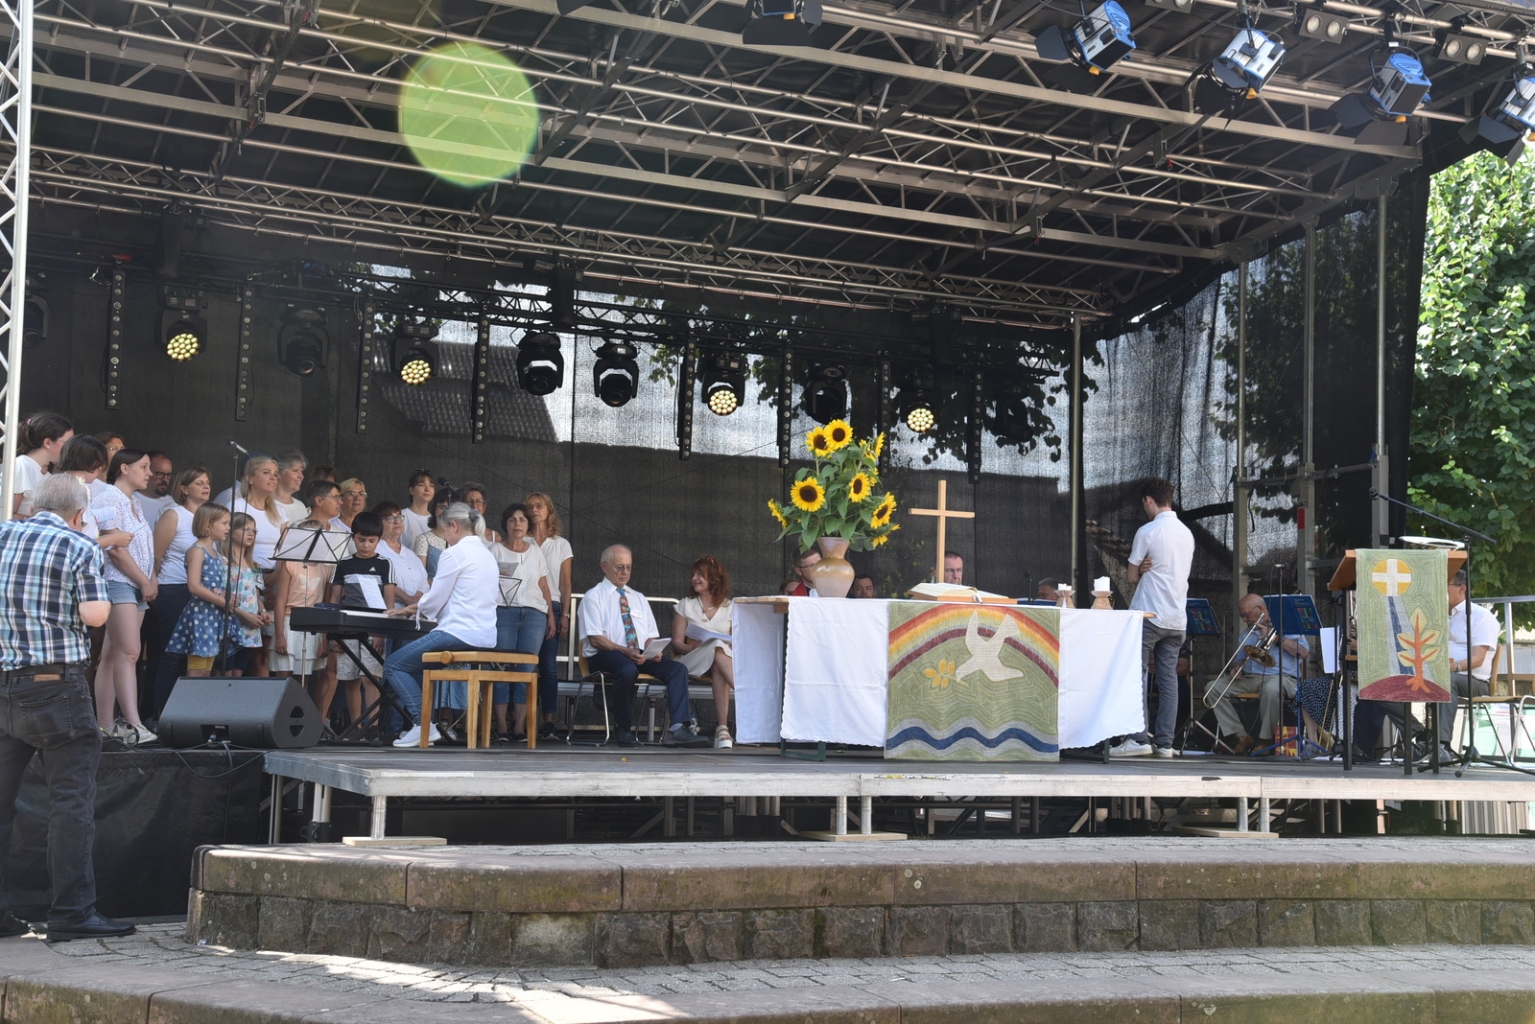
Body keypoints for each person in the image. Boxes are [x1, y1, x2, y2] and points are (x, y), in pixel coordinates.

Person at [0, 473, 134, 942]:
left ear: (34, 502)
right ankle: (72, 912)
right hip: (56, 686)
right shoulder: (79, 546)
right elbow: (97, 615)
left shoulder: (1, 534)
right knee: (71, 803)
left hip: (3, 684)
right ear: (81, 514)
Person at [384, 504, 500, 748]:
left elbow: (436, 597)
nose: (444, 536)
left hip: (458, 632)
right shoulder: (487, 554)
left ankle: (422, 724)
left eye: (444, 530)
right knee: (414, 664)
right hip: (485, 635)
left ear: (454, 526)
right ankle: (423, 725)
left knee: (394, 664)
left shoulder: (454, 553)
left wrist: (410, 609)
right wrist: (414, 609)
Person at [1354, 570, 1500, 759]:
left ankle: (1442, 746)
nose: (1438, 592)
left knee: (1446, 680)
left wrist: (1453, 667)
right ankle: (1421, 734)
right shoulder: (1436, 616)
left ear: (1461, 589)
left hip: (1471, 681)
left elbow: (1478, 658)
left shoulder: (1480, 616)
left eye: (1444, 587)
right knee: (1379, 684)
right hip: (1430, 675)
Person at [580, 545, 708, 748]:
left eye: (629, 567)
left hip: (637, 654)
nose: (625, 573)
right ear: (604, 567)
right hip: (606, 653)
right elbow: (595, 638)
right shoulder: (593, 596)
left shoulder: (638, 597)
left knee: (677, 669)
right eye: (619, 567)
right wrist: (624, 651)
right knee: (626, 668)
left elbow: (649, 637)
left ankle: (678, 728)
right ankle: (623, 728)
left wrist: (654, 651)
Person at [1113, 478, 1194, 759]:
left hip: (1149, 613)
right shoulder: (1186, 534)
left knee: (1136, 675)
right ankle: (1164, 743)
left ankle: (1138, 738)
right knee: (1168, 679)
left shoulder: (1148, 531)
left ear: (1149, 500)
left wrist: (1142, 568)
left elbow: (1132, 576)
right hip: (1176, 618)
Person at [90, 449, 158, 745]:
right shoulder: (108, 497)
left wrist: (150, 576)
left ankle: (105, 724)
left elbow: (142, 545)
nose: (150, 473)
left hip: (136, 582)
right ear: (124, 468)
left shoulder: (134, 501)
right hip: (120, 581)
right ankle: (133, 722)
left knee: (112, 654)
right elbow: (115, 548)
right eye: (144, 467)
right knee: (130, 652)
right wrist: (144, 579)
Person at [1202, 594, 1310, 755]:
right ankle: (1241, 736)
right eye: (1242, 616)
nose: (1245, 619)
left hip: (1281, 677)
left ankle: (1265, 740)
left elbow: (1304, 653)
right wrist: (1237, 667)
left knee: (1272, 689)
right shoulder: (1248, 633)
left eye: (1246, 615)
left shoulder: (1288, 626)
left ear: (1260, 609)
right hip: (1251, 677)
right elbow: (1239, 660)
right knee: (1212, 688)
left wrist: (1277, 638)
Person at [149, 464, 211, 715]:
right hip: (173, 588)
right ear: (184, 489)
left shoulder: (208, 518)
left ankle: (187, 714)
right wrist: (152, 584)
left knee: (196, 657)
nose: (206, 486)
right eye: (199, 482)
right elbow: (155, 555)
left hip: (201, 593)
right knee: (172, 655)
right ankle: (160, 714)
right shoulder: (174, 515)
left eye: (208, 482)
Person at [490, 503, 555, 741]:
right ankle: (502, 728)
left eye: (522, 520)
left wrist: (550, 615)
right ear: (506, 524)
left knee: (526, 669)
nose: (517, 524)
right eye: (513, 520)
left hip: (534, 615)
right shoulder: (494, 550)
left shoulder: (535, 551)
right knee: (502, 667)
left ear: (528, 525)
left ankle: (519, 728)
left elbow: (544, 585)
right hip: (503, 613)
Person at [326, 511, 394, 725]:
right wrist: (333, 633)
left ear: (379, 541)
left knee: (371, 678)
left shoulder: (385, 564)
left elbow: (389, 604)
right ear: (353, 537)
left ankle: (372, 726)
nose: (366, 545)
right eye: (361, 539)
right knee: (350, 678)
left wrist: (381, 633)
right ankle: (356, 727)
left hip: (373, 627)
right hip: (347, 627)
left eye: (371, 541)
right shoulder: (344, 564)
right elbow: (335, 599)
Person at [165, 504, 247, 677]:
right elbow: (194, 586)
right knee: (197, 669)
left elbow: (212, 585)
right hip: (201, 614)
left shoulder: (215, 553)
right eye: (224, 523)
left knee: (207, 668)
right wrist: (222, 601)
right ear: (208, 525)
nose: (228, 528)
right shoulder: (197, 551)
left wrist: (226, 595)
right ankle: (191, 702)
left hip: (213, 615)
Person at [226, 454, 286, 677]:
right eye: (266, 472)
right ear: (250, 478)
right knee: (245, 649)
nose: (273, 478)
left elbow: (285, 548)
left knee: (265, 648)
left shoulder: (279, 510)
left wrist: (276, 579)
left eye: (276, 474)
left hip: (276, 580)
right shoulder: (236, 505)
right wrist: (260, 585)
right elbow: (228, 543)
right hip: (245, 582)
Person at [670, 555, 735, 748]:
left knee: (719, 654)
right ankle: (743, 692)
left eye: (701, 575)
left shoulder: (731, 607)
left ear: (714, 578)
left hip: (719, 662)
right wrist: (691, 647)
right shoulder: (685, 604)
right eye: (694, 574)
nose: (695, 578)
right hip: (690, 659)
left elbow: (735, 642)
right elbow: (676, 644)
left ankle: (722, 729)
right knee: (717, 646)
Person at [527, 492, 572, 741]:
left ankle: (549, 722)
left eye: (539, 506)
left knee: (548, 666)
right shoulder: (521, 539)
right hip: (528, 606)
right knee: (525, 665)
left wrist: (564, 614)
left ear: (549, 510)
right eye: (530, 506)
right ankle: (521, 720)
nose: (534, 510)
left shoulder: (561, 543)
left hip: (552, 606)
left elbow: (566, 582)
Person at [10, 411, 73, 518]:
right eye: (68, 443)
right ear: (47, 443)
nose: (70, 449)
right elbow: (6, 514)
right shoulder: (22, 465)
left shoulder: (47, 475)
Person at [413, 487, 458, 578]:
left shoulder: (461, 540)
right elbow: (420, 577)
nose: (446, 513)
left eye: (451, 508)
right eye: (442, 507)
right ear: (434, 509)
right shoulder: (424, 539)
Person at [134, 452, 175, 525]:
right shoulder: (130, 501)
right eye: (160, 474)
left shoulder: (174, 503)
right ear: (147, 472)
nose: (165, 480)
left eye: (168, 475)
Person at [273, 451, 310, 524]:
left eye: (301, 471)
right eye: (295, 470)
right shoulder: (264, 504)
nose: (301, 476)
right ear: (278, 474)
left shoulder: (300, 506)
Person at [402, 470, 435, 550]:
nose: (427, 489)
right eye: (421, 485)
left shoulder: (436, 519)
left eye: (431, 485)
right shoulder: (402, 516)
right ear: (411, 490)